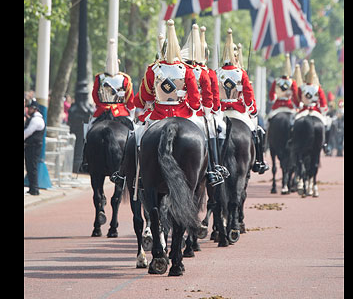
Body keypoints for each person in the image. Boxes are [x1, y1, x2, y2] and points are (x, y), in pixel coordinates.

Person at [111, 19, 202, 186]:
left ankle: (126, 174)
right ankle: (211, 171)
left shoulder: (153, 69)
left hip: (157, 117)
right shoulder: (187, 70)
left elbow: (145, 97)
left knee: (135, 136)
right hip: (184, 116)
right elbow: (196, 102)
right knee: (205, 137)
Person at [216, 28, 269, 174]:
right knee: (256, 129)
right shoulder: (241, 73)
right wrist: (252, 110)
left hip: (220, 112)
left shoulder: (216, 72)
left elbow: (213, 94)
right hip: (239, 110)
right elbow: (248, 95)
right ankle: (259, 160)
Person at [181, 24, 226, 186]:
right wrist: (210, 110)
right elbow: (210, 94)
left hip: (178, 111)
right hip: (198, 111)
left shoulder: (180, 69)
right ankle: (214, 167)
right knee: (215, 129)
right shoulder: (206, 72)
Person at [24, 98, 46, 195]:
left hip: (33, 147)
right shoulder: (34, 118)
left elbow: (27, 132)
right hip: (31, 146)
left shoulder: (36, 119)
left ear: (34, 109)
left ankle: (34, 188)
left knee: (32, 167)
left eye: (30, 108)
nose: (28, 110)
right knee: (30, 167)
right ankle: (32, 188)